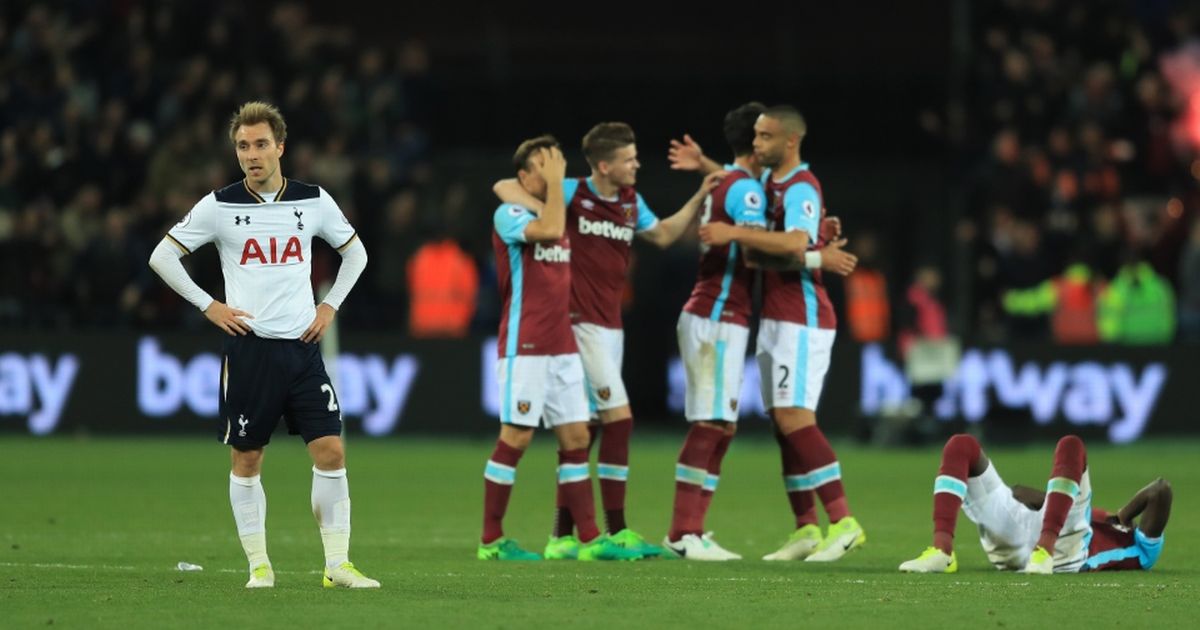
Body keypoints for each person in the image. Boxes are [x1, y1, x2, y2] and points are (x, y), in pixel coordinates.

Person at [147, 101, 377, 588]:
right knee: (247, 458)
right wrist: (208, 305)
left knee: (332, 451)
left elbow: (354, 252)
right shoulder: (219, 205)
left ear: (281, 147)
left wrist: (329, 305)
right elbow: (162, 256)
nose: (251, 155)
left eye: (260, 145)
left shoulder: (313, 200)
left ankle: (337, 565)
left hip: (302, 347)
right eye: (242, 146)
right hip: (250, 350)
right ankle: (259, 565)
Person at [493, 123, 722, 559]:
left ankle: (563, 536)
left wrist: (697, 199)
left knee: (586, 429)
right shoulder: (573, 192)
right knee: (618, 418)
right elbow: (504, 185)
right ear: (604, 165)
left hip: (610, 325)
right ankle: (615, 530)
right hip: (577, 323)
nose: (637, 164)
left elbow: (664, 235)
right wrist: (549, 201)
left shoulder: (631, 203)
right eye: (629, 159)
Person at [694, 106, 864, 562]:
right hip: (775, 315)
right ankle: (806, 528)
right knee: (783, 426)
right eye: (755, 135)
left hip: (801, 317)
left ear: (790, 141)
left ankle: (843, 520)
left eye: (766, 137)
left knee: (794, 419)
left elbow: (791, 242)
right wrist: (707, 167)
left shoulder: (801, 188)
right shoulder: (771, 185)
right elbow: (772, 243)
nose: (756, 144)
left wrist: (734, 232)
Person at [480, 135, 642, 562]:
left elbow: (556, 220)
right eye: (544, 165)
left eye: (558, 163)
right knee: (516, 437)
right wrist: (553, 185)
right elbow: (547, 227)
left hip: (564, 346)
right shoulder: (509, 215)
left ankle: (589, 540)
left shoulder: (558, 211)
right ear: (524, 176)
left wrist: (552, 186)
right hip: (525, 344)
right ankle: (491, 540)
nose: (556, 172)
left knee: (575, 436)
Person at [659, 102, 768, 560]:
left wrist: (705, 163)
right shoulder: (745, 192)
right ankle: (682, 532)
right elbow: (756, 257)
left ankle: (694, 530)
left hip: (723, 316)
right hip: (716, 315)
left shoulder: (737, 183)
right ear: (758, 142)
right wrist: (807, 250)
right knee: (711, 423)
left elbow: (732, 183)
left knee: (723, 425)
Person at [899, 434, 1170, 573]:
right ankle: (942, 550)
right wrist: (1118, 516)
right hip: (1018, 544)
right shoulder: (1096, 517)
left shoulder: (1144, 553)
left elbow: (1160, 490)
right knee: (961, 445)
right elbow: (1018, 493)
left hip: (1069, 553)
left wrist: (1124, 514)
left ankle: (1045, 550)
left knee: (1071, 445)